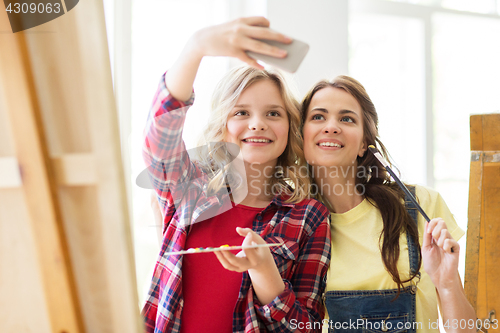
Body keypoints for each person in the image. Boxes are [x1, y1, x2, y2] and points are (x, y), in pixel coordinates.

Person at [141, 17, 331, 333]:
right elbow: (159, 135)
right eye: (241, 112)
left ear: (290, 128)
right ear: (222, 126)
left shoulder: (309, 216)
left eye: (273, 113)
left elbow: (305, 326)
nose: (257, 124)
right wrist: (196, 47)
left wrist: (265, 273)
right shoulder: (189, 186)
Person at [300, 76, 476, 333]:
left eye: (347, 118)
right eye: (318, 117)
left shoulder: (421, 204)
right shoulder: (292, 225)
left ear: (364, 143)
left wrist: (447, 284)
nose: (331, 127)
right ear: (301, 135)